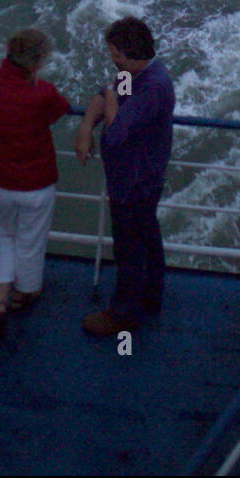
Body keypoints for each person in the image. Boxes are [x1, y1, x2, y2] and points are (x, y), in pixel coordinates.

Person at [75, 17, 175, 337]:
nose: (112, 60)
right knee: (146, 237)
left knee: (129, 248)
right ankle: (151, 297)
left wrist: (113, 100)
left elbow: (117, 132)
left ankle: (123, 313)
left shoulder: (152, 87)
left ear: (131, 55)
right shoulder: (138, 73)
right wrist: (86, 127)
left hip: (135, 181)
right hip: (135, 177)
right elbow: (104, 94)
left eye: (116, 55)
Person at [0, 28, 70, 338]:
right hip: (36, 184)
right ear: (38, 61)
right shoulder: (44, 93)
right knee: (30, 241)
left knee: (6, 235)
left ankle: (0, 299)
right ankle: (24, 292)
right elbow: (60, 111)